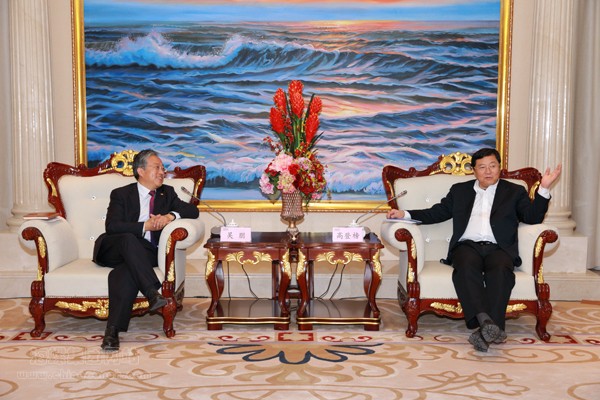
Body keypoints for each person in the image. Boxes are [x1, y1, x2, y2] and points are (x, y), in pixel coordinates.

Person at [387, 148, 562, 352]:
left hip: (499, 248)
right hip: (467, 246)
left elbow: (532, 217)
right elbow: (437, 213)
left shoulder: (514, 191)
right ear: (474, 170)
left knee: (501, 271)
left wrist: (544, 189)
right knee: (466, 267)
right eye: (482, 167)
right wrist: (405, 214)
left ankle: (485, 328)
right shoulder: (460, 190)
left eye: (493, 166)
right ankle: (488, 322)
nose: (488, 171)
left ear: (499, 168)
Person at [93, 149, 200, 351]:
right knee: (128, 238)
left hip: (143, 254)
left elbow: (193, 211)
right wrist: (145, 226)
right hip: (114, 248)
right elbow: (112, 226)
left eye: (163, 168)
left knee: (125, 273)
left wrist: (170, 216)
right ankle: (152, 291)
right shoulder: (121, 194)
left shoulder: (167, 193)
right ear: (141, 171)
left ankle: (112, 332)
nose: (162, 172)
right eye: (157, 167)